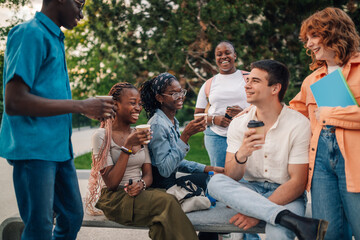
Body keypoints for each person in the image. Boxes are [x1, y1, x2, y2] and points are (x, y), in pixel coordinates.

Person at [0, 0, 116, 239]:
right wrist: (81, 105)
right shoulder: (29, 33)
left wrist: (85, 108)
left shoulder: (55, 38)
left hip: (60, 151)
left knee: (72, 216)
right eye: (79, 4)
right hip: (34, 151)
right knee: (40, 228)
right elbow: (14, 102)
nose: (81, 14)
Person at [207, 59, 329, 240]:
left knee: (278, 234)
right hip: (250, 190)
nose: (247, 86)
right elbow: (232, 176)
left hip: (287, 193)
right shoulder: (239, 124)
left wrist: (255, 211)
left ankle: (281, 218)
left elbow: (297, 183)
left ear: (275, 88)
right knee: (215, 183)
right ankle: (288, 218)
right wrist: (243, 153)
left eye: (255, 81)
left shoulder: (298, 124)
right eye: (247, 81)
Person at [86, 82, 198, 240]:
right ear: (115, 105)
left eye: (139, 103)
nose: (138, 108)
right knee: (166, 202)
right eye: (132, 103)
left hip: (139, 194)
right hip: (115, 199)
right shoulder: (101, 136)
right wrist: (128, 147)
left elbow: (148, 175)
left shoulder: (139, 132)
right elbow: (111, 183)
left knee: (161, 224)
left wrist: (141, 184)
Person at [289, 7, 360, 240]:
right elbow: (293, 114)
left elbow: (325, 115)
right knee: (328, 233)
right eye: (306, 40)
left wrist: (329, 114)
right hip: (320, 164)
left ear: (334, 33)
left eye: (313, 36)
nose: (308, 44)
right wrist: (256, 107)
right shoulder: (312, 80)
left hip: (355, 163)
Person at [140, 72, 223, 240]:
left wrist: (207, 168)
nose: (180, 97)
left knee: (214, 181)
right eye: (173, 93)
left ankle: (214, 234)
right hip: (162, 188)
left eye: (181, 92)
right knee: (212, 189)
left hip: (170, 181)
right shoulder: (157, 124)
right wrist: (185, 137)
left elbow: (175, 160)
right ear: (159, 97)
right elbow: (164, 169)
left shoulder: (171, 121)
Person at [195, 41, 250, 168]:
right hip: (216, 137)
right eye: (219, 54)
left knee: (245, 176)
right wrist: (215, 120)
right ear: (215, 59)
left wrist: (242, 113)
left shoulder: (249, 78)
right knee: (220, 174)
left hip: (244, 134)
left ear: (235, 55)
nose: (223, 57)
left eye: (227, 53)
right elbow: (197, 116)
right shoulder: (209, 83)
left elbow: (264, 106)